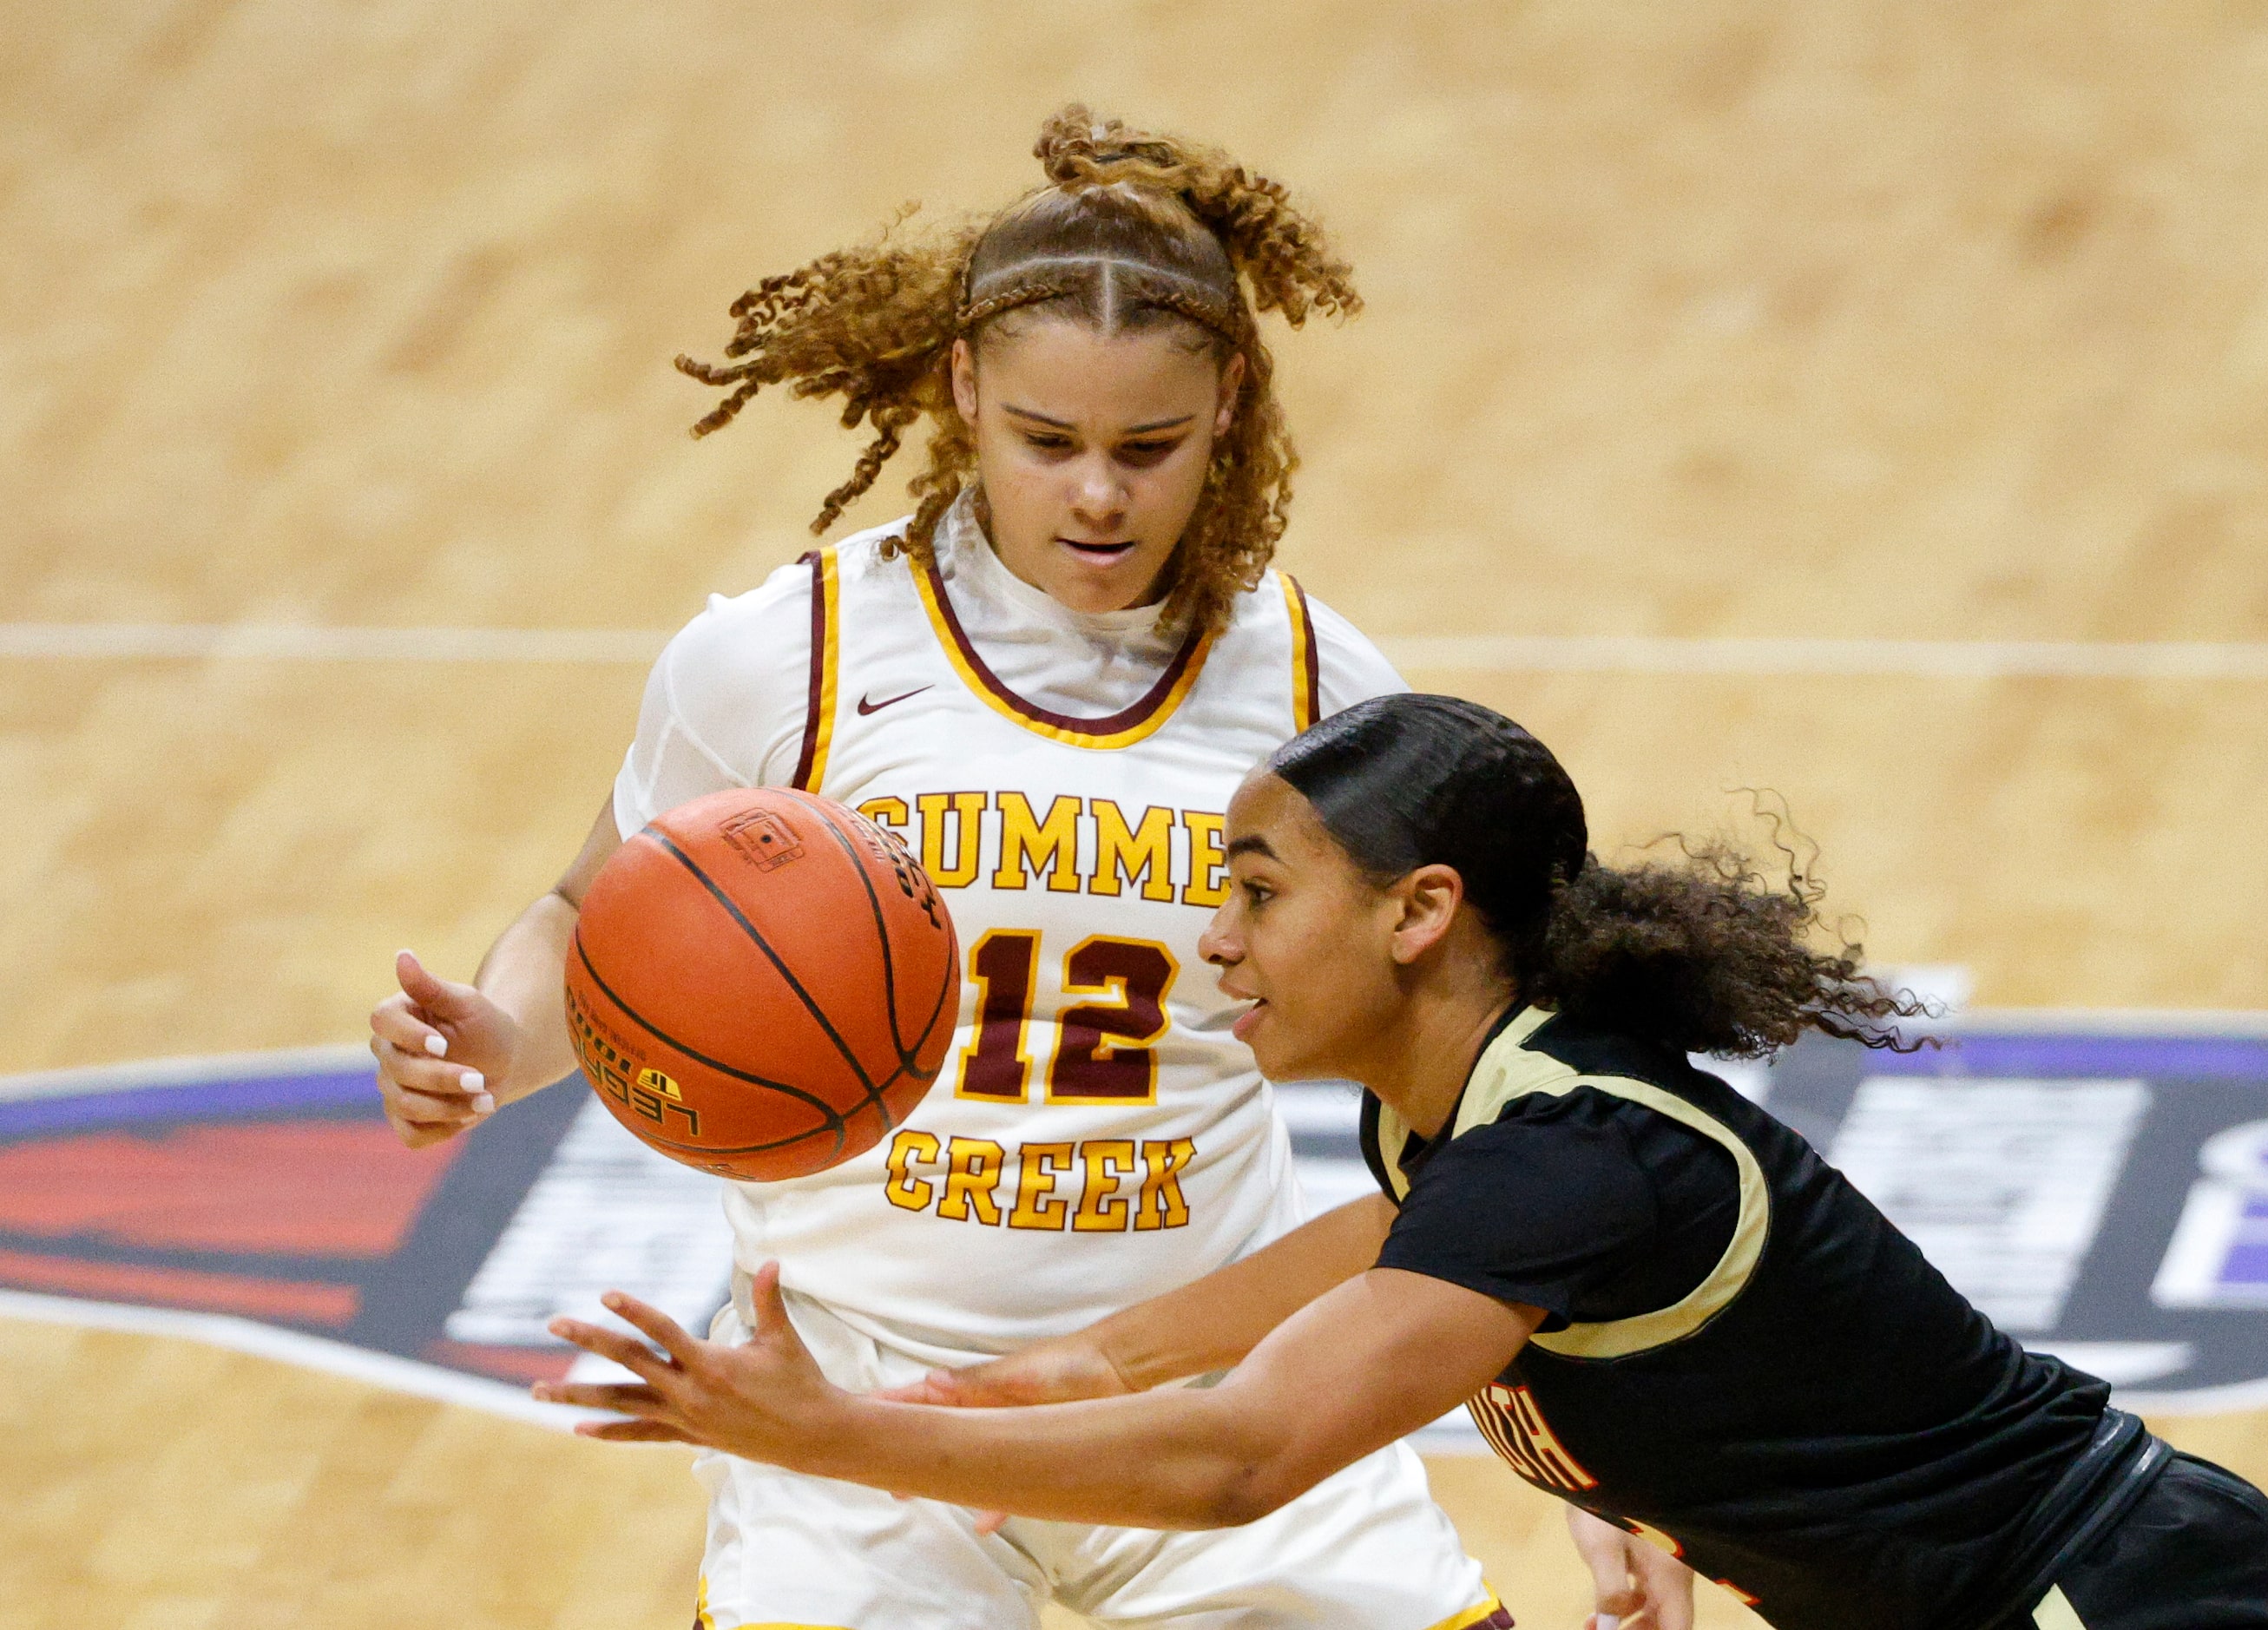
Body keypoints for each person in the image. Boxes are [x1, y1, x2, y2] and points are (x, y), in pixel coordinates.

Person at [368, 114, 1511, 1630]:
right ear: (964, 393)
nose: (1097, 494)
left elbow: (1472, 1101)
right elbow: (601, 914)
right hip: (852, 1388)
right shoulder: (792, 654)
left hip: (1198, 1372)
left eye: (1146, 447)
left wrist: (1590, 1454)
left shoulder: (1315, 684)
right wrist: (496, 1039)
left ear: (1230, 402)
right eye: (1048, 441)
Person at [539, 693, 2268, 1630]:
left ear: (1418, 916)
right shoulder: (1449, 1123)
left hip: (2109, 1598)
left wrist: (821, 1432)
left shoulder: (1566, 1156)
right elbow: (1214, 1325)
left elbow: (1245, 1460)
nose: (1216, 943)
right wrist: (1033, 1379)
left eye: (1254, 890)